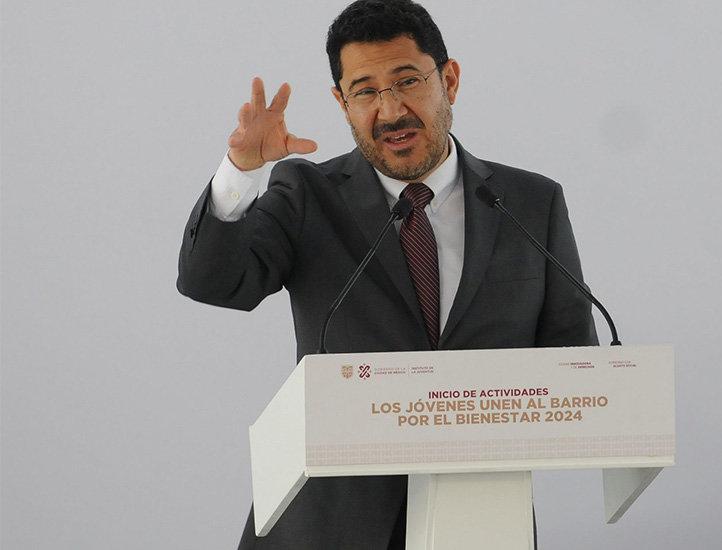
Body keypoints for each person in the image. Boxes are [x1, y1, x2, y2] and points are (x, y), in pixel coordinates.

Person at [177, 0, 598, 548]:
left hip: (481, 519)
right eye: (365, 91)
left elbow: (574, 365)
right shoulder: (307, 195)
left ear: (448, 79)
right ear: (342, 103)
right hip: (327, 525)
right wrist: (241, 173)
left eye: (407, 81)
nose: (391, 108)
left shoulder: (528, 201)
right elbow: (213, 283)